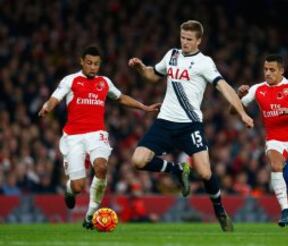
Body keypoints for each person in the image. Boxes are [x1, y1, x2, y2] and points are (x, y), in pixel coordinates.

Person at [128, 20, 254, 232]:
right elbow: (153, 75)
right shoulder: (172, 55)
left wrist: (242, 113)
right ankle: (177, 170)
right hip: (165, 122)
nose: (185, 42)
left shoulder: (204, 62)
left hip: (190, 125)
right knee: (138, 160)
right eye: (182, 37)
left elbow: (224, 87)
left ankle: (220, 210)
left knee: (205, 173)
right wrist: (141, 68)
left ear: (198, 41)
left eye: (189, 39)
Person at [38, 45, 160, 229]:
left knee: (101, 167)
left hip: (97, 134)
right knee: (78, 186)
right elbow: (56, 97)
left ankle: (90, 215)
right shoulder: (71, 80)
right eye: (89, 63)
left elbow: (120, 97)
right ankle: (70, 191)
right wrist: (48, 107)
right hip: (74, 136)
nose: (93, 67)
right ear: (82, 62)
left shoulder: (104, 82)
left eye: (96, 64)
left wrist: (143, 107)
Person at [234, 54, 288, 227]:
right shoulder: (257, 89)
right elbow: (233, 110)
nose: (267, 73)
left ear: (281, 71)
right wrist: (237, 96)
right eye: (265, 69)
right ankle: (286, 211)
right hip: (275, 138)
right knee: (275, 165)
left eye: (272, 70)